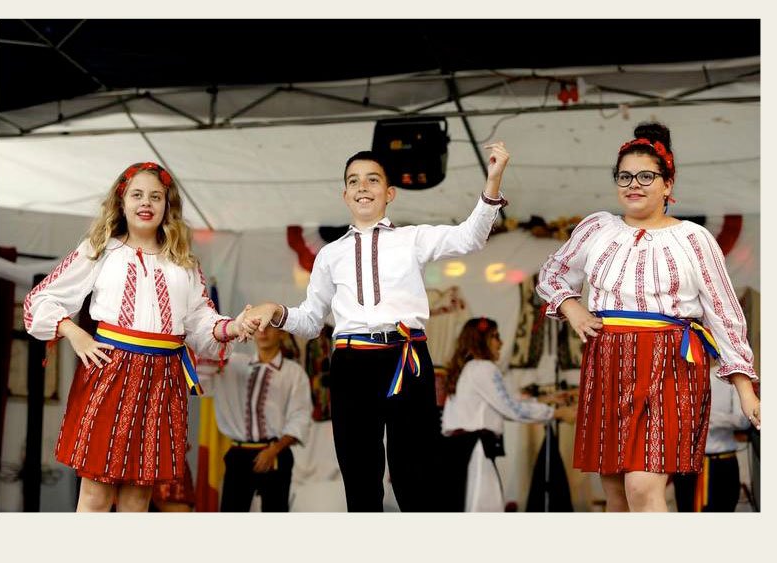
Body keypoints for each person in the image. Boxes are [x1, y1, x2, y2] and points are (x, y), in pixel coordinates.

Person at [239, 142, 510, 511]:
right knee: (361, 476)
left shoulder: (411, 239)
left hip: (406, 359)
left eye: (372, 180)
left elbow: (470, 237)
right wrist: (276, 311)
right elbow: (311, 320)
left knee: (415, 476)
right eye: (354, 181)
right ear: (345, 194)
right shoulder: (328, 255)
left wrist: (493, 180)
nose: (363, 187)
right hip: (352, 365)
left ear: (389, 193)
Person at [535, 122, 760, 512]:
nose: (633, 184)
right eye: (624, 176)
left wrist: (745, 389)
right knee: (617, 491)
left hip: (670, 363)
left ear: (668, 184)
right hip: (606, 360)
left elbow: (724, 312)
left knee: (643, 484)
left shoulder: (693, 238)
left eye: (645, 176)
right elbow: (552, 274)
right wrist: (572, 308)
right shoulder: (597, 229)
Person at [24, 161, 247, 512]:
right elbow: (42, 299)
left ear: (166, 205)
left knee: (137, 499)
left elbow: (201, 321)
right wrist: (75, 333)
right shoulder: (100, 249)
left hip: (163, 379)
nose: (146, 203)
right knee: (96, 495)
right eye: (137, 195)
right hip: (109, 371)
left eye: (155, 197)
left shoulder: (184, 261)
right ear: (121, 201)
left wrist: (232, 327)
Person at [440, 317, 576, 512]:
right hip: (475, 452)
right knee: (485, 509)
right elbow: (511, 408)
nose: (501, 342)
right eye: (495, 336)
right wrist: (556, 413)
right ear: (480, 340)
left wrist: (547, 399)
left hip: (464, 451)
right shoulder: (483, 368)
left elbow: (506, 401)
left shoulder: (469, 369)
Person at [197, 325, 312, 511]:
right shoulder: (233, 364)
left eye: (269, 328)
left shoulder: (293, 373)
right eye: (257, 328)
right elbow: (203, 378)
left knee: (275, 515)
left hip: (275, 453)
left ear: (282, 333)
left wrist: (274, 450)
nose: (263, 333)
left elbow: (300, 416)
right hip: (238, 454)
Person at [673, 371, 752, 511]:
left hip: (722, 464)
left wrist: (708, 417)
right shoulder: (678, 374)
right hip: (686, 465)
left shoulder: (731, 375)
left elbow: (743, 420)